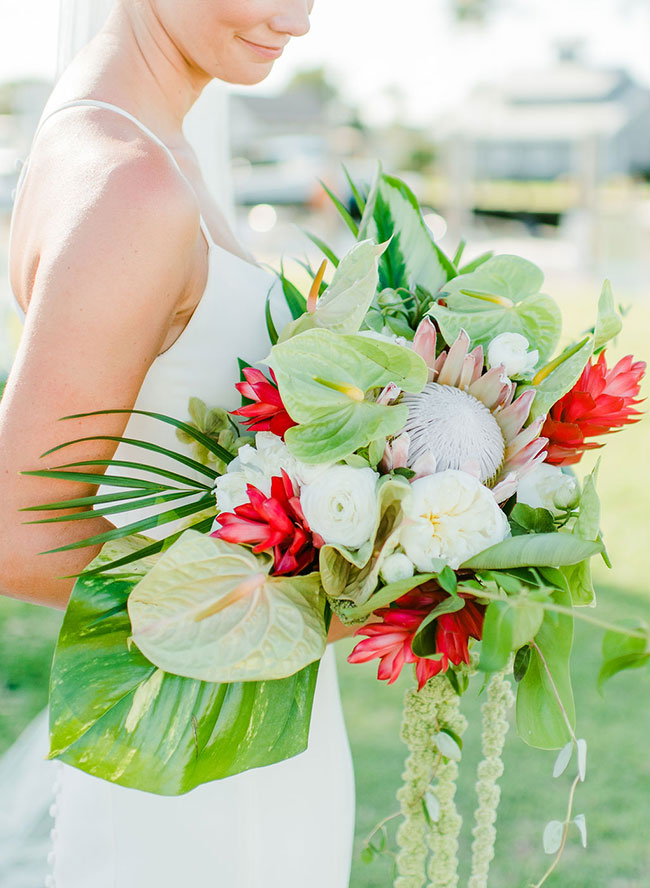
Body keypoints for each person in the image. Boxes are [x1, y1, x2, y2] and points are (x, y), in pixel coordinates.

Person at [0, 2, 358, 885]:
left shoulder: (152, 147)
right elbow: (20, 532)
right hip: (197, 780)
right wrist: (335, 592)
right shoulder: (129, 182)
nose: (298, 18)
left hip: (238, 734)